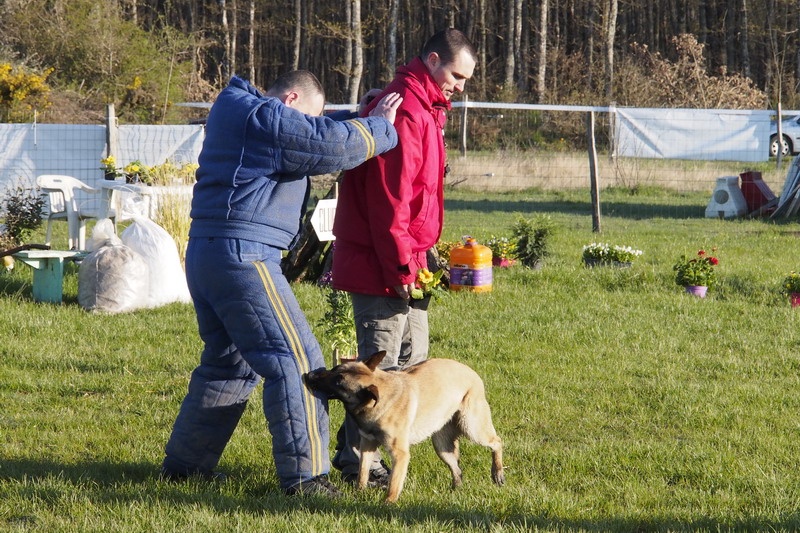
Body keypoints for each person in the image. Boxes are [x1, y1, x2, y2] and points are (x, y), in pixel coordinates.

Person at [160, 71, 402, 498]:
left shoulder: (243, 111)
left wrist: (358, 112)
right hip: (244, 255)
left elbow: (309, 129)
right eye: (305, 115)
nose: (304, 124)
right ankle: (306, 479)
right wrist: (381, 125)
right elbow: (325, 144)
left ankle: (185, 468)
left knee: (228, 365)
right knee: (297, 361)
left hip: (209, 252)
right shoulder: (263, 116)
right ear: (290, 99)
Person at [330, 28, 478, 486]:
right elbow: (389, 201)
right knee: (380, 366)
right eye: (456, 74)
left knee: (413, 359)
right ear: (432, 60)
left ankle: (385, 450)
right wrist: (399, 267)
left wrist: (423, 259)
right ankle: (354, 460)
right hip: (383, 262)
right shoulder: (408, 110)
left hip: (411, 258)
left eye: (466, 79)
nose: (460, 85)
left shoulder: (427, 107)